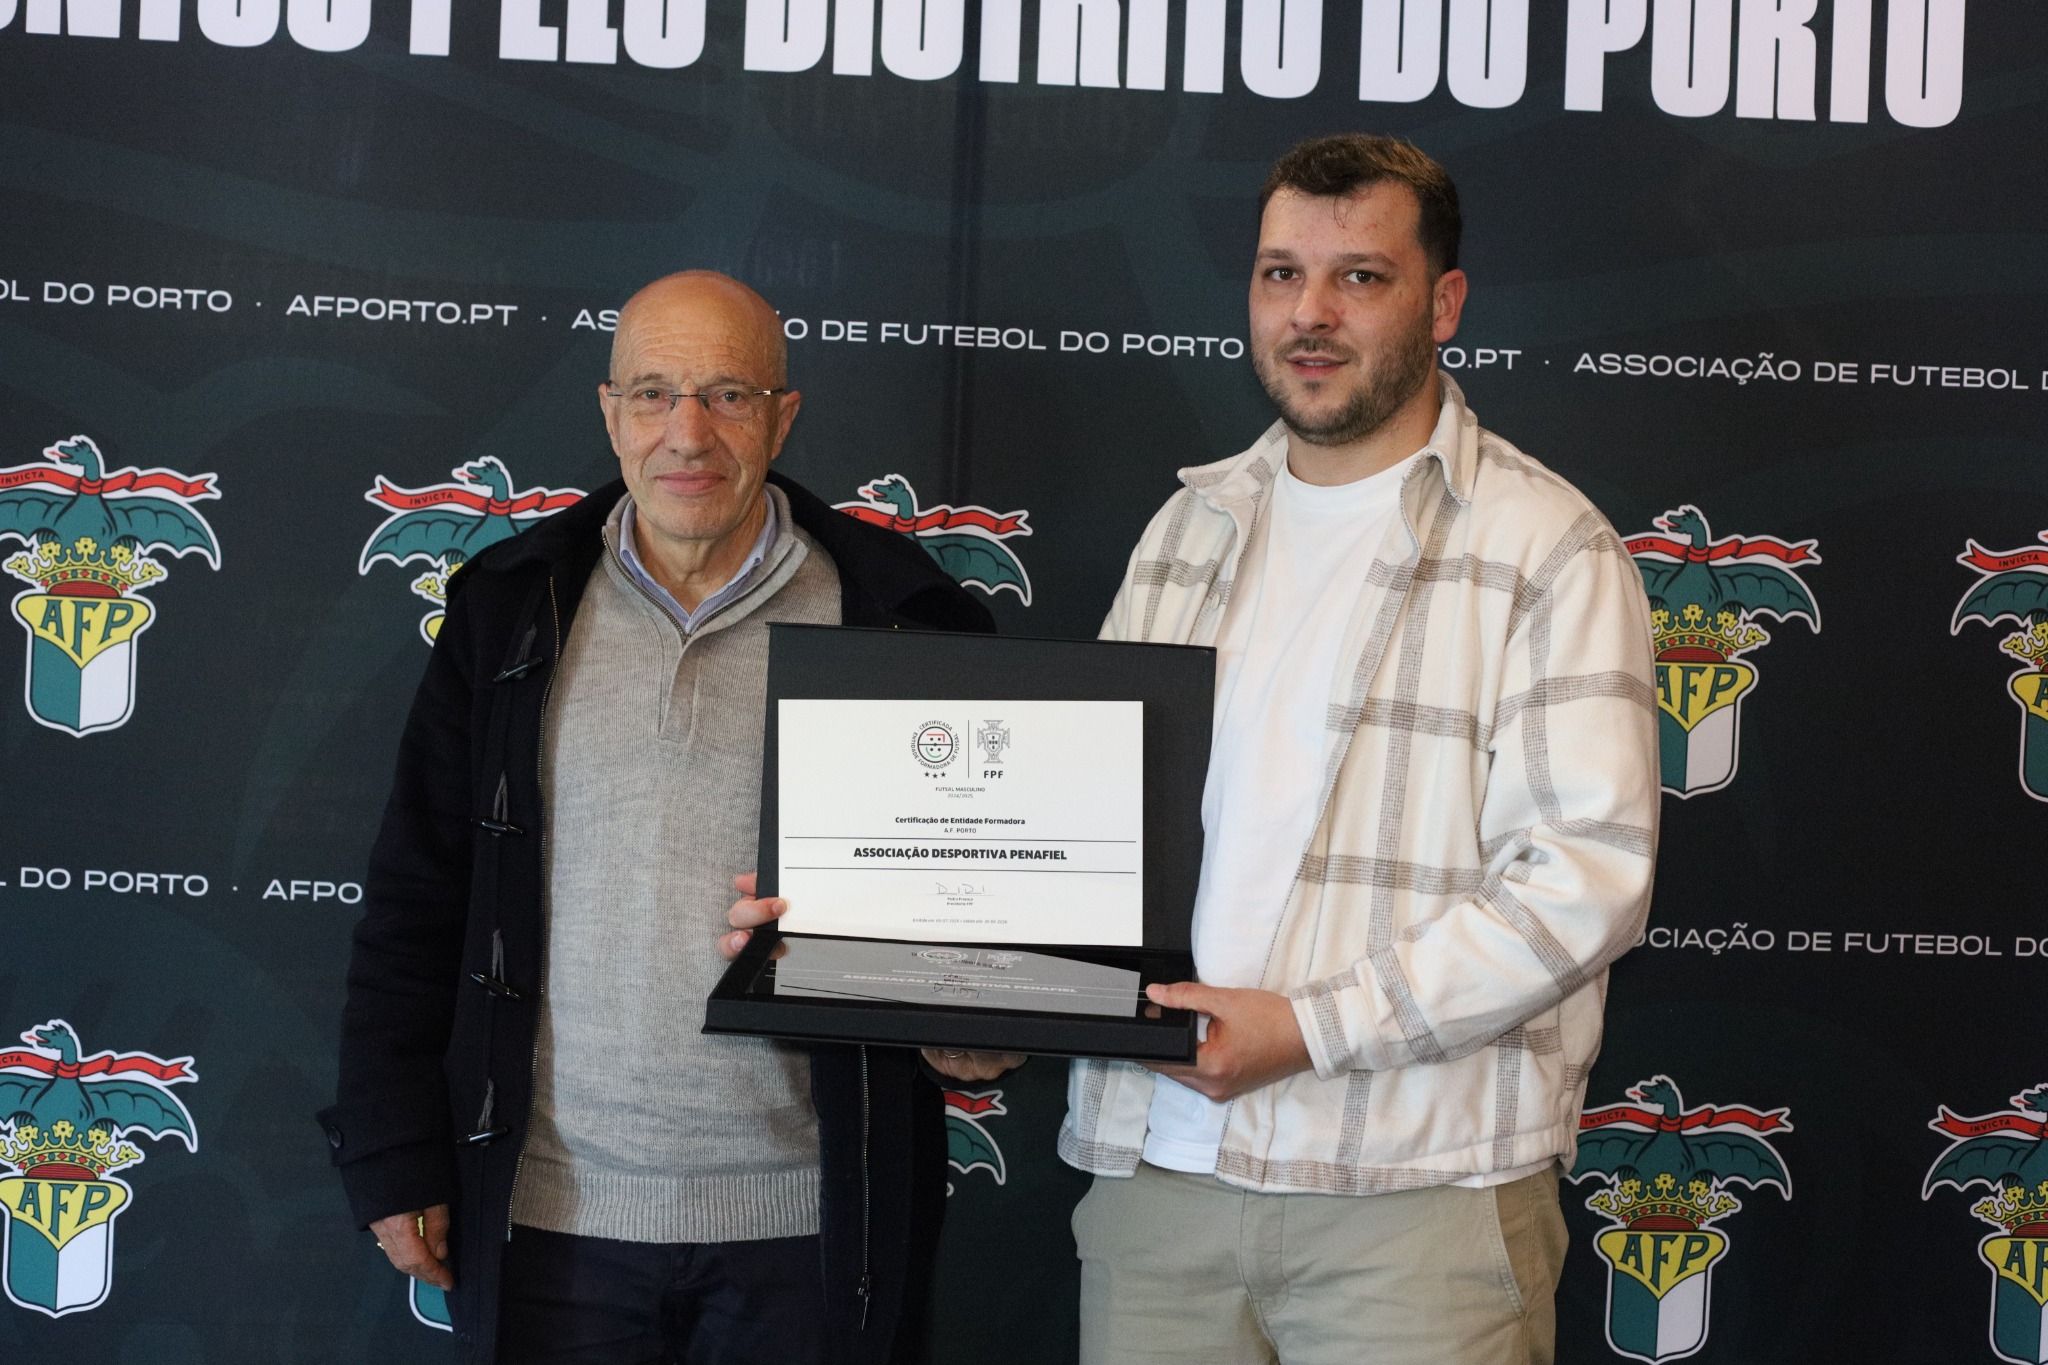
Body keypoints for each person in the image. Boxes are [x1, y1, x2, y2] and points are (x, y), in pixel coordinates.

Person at [1058, 135, 1661, 1364]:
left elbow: (1581, 879)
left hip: (1415, 1199)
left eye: (1360, 277)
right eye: (1280, 273)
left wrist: (1308, 1029)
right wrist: (913, 955)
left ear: (1442, 303)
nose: (1310, 314)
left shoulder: (1546, 546)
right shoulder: (1185, 529)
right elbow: (1078, 826)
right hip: (1158, 1178)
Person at [316, 270, 992, 1365]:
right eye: (653, 394)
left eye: (728, 394)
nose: (688, 432)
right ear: (609, 412)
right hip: (549, 1223)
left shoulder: (908, 621)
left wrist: (977, 1016)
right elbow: (416, 900)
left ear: (782, 417)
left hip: (810, 1233)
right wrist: (394, 1152)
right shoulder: (510, 609)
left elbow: (980, 917)